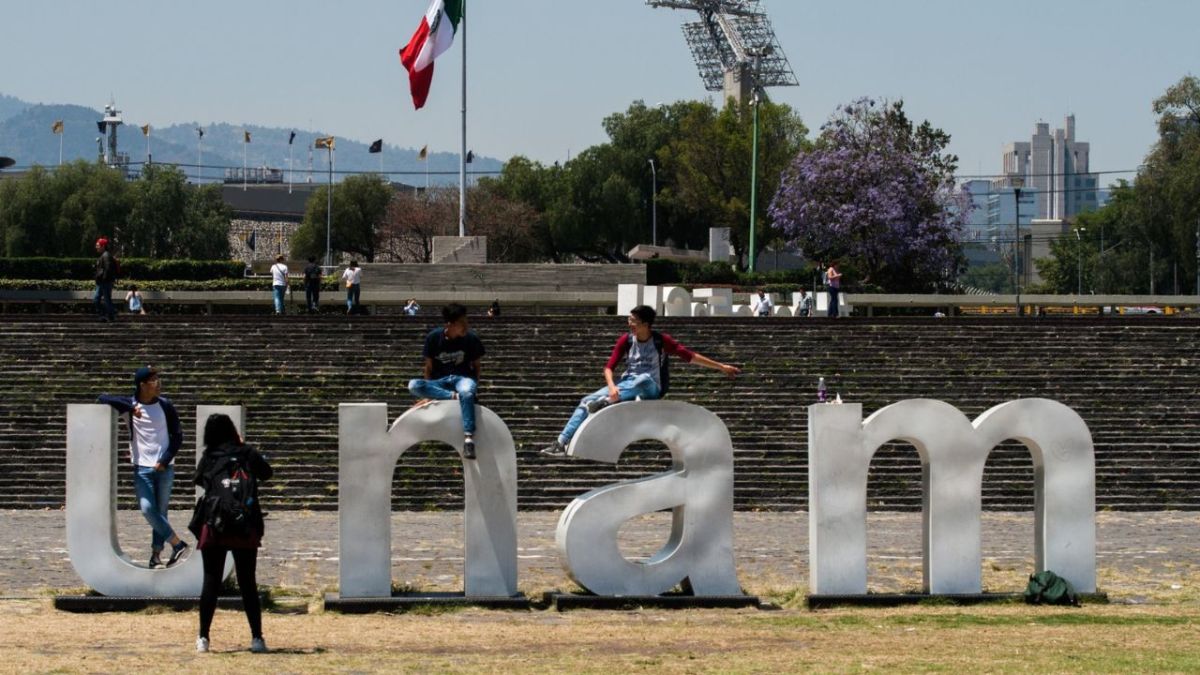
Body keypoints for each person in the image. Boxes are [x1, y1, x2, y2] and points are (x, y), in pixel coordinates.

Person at [541, 305, 741, 457]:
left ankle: (605, 403)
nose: (630, 324)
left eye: (633, 321)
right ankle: (560, 443)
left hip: (651, 388)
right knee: (586, 401)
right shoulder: (626, 340)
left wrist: (722, 367)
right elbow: (609, 367)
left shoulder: (660, 341)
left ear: (646, 324)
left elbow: (690, 356)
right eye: (629, 320)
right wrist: (611, 388)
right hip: (627, 386)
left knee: (643, 379)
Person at [192, 413, 273, 654]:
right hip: (243, 524)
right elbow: (267, 473)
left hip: (215, 524)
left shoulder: (209, 456)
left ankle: (203, 638)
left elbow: (200, 481)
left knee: (211, 581)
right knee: (248, 582)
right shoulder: (247, 453)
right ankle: (257, 638)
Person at [97, 366, 190, 568]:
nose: (158, 384)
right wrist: (131, 408)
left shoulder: (166, 405)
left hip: (164, 467)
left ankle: (156, 556)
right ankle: (177, 544)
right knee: (148, 509)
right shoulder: (129, 406)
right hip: (141, 467)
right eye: (153, 381)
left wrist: (164, 460)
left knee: (161, 513)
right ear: (142, 385)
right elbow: (102, 398)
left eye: (158, 379)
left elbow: (178, 436)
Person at [407, 303, 484, 460]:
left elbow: (476, 367)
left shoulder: (471, 339)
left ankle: (468, 439)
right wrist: (429, 395)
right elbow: (428, 369)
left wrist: (473, 386)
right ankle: (454, 396)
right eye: (462, 323)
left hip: (462, 379)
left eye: (466, 322)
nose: (466, 326)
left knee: (466, 390)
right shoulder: (434, 338)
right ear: (450, 324)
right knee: (413, 385)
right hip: (440, 382)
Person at [93, 237, 117, 322]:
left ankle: (111, 315)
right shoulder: (103, 255)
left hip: (104, 282)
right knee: (97, 299)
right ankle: (106, 315)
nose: (96, 247)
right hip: (102, 282)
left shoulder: (106, 255)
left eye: (98, 245)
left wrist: (104, 279)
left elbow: (108, 269)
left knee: (105, 300)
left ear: (103, 246)